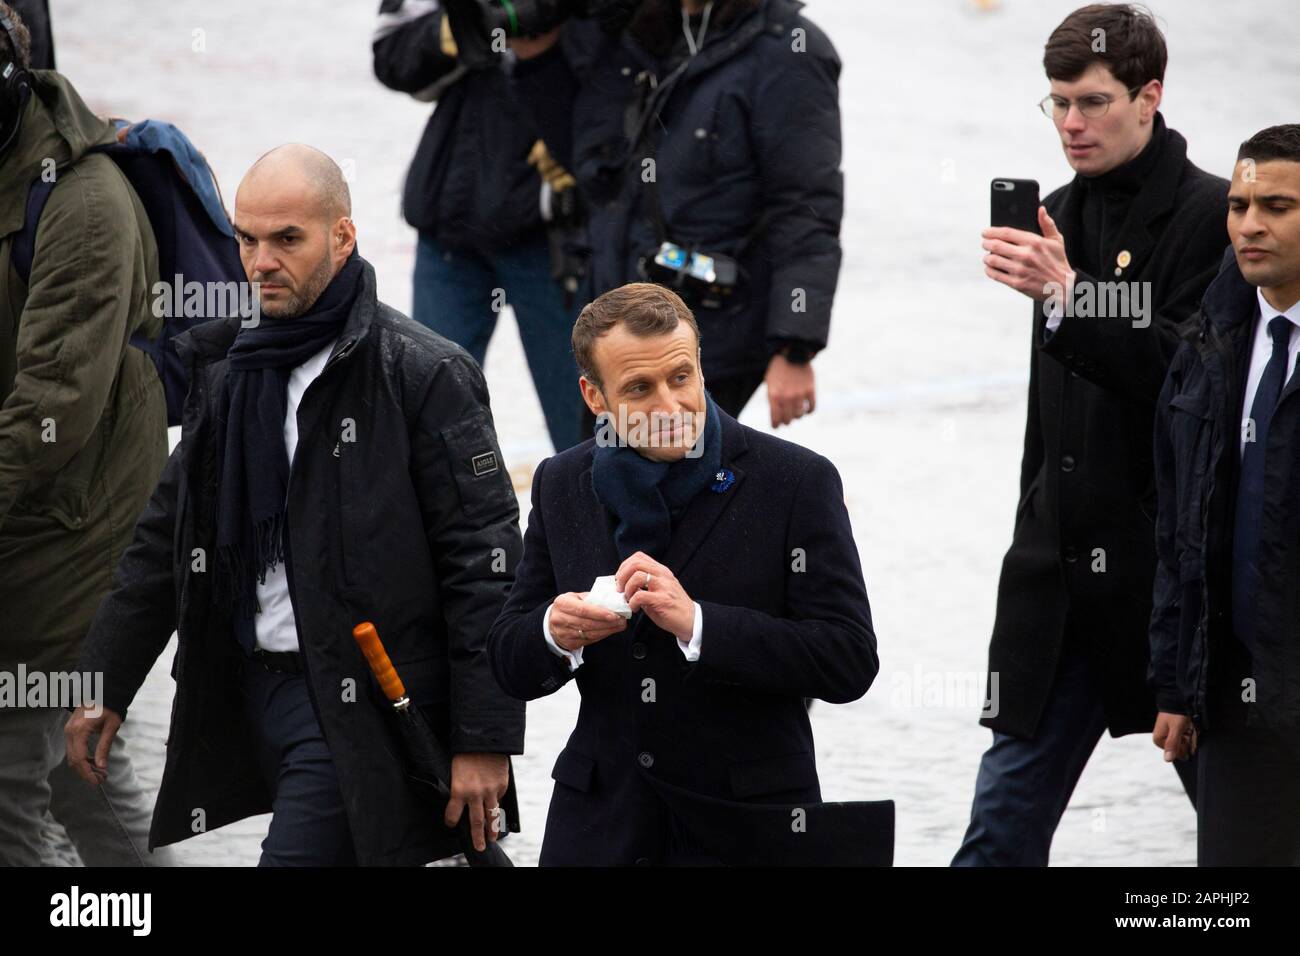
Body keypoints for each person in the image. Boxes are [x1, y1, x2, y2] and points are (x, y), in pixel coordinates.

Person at [66, 144, 526, 866]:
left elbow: (485, 565)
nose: (260, 262)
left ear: (342, 236)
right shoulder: (228, 367)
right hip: (252, 690)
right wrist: (107, 680)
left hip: (362, 699)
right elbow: (165, 542)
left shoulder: (423, 373)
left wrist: (484, 739)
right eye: (247, 239)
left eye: (287, 239)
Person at [954, 3, 1229, 866]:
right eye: (1058, 103)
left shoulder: (1217, 216)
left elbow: (1192, 380)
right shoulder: (1057, 215)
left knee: (1245, 836)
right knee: (996, 839)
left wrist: (1069, 299)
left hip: (1171, 586)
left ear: (1150, 96)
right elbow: (1052, 427)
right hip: (1057, 579)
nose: (1072, 123)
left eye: (1094, 102)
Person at [487, 282, 881, 865]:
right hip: (601, 825)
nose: (669, 408)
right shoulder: (562, 482)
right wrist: (553, 631)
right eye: (639, 389)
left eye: (680, 378)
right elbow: (508, 659)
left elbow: (848, 659)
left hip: (747, 827)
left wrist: (699, 624)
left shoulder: (795, 481)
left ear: (699, 365)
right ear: (594, 397)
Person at [0, 3, 172, 866]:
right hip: (25, 504)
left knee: (18, 781)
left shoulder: (84, 203)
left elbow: (49, 409)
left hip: (76, 524)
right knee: (75, 776)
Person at [505, 0, 842, 428]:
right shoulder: (642, 30)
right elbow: (592, 165)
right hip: (615, 321)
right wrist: (538, 58)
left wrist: (794, 347)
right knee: (603, 477)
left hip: (711, 332)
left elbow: (806, 206)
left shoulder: (789, 51)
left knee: (680, 479)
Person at [1150, 124, 1300, 866]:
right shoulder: (1211, 343)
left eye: (1276, 206)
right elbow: (1183, 525)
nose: (1249, 225)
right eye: (1239, 205)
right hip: (1238, 694)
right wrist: (1178, 683)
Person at [373, 0, 586, 451]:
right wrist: (468, 24)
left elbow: (648, 48)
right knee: (423, 420)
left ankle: (589, 518)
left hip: (560, 234)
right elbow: (390, 54)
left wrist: (588, 141)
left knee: (587, 429)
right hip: (452, 225)